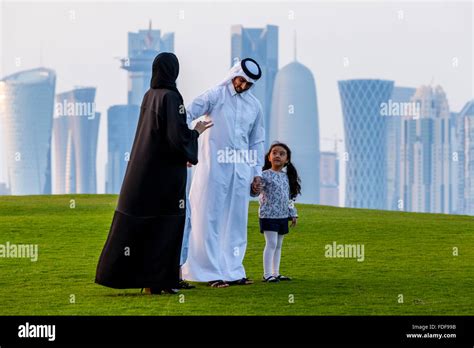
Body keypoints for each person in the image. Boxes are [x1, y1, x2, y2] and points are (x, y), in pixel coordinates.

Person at [95, 52, 213, 295]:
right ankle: (161, 282)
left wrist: (183, 150)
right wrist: (197, 132)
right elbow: (177, 137)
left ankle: (152, 282)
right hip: (166, 178)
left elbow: (159, 136)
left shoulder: (150, 95)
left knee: (148, 228)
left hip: (144, 173)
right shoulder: (172, 97)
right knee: (167, 227)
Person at [181, 58, 265, 288]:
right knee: (209, 217)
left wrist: (257, 173)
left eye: (249, 84)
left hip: (241, 170)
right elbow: (186, 115)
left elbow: (257, 140)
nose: (243, 86)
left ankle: (233, 270)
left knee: (236, 221)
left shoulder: (254, 105)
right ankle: (207, 272)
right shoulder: (215, 95)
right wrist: (185, 147)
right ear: (234, 74)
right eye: (241, 80)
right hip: (213, 168)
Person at [254, 142, 301, 283]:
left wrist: (293, 213)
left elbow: (289, 198)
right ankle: (267, 274)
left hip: (282, 216)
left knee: (278, 245)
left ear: (287, 160)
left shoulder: (286, 177)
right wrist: (255, 186)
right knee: (271, 243)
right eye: (274, 153)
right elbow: (256, 191)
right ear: (269, 157)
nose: (277, 156)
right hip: (268, 215)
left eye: (281, 154)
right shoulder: (263, 175)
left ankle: (276, 273)